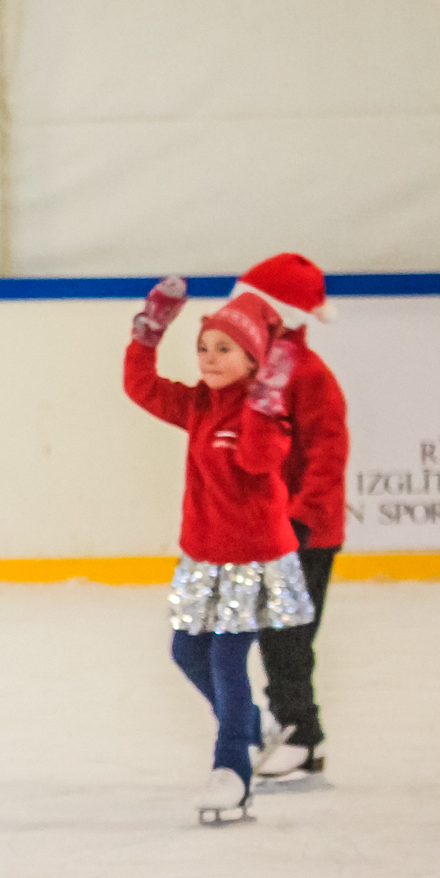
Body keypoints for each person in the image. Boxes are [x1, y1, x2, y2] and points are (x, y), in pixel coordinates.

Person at [123, 278, 316, 826]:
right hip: (203, 558)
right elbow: (141, 387)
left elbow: (257, 461)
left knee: (228, 659)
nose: (208, 358)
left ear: (254, 359)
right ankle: (251, 726)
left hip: (252, 560)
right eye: (203, 346)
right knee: (186, 652)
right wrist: (149, 332)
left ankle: (232, 769)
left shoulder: (268, 416)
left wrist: (265, 399)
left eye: (223, 349)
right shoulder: (198, 404)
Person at [229, 255, 346, 781]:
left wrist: (302, 521)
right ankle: (292, 726)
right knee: (273, 629)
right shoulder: (258, 371)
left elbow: (328, 452)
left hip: (306, 532)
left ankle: (303, 734)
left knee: (288, 634)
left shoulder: (308, 373)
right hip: (269, 528)